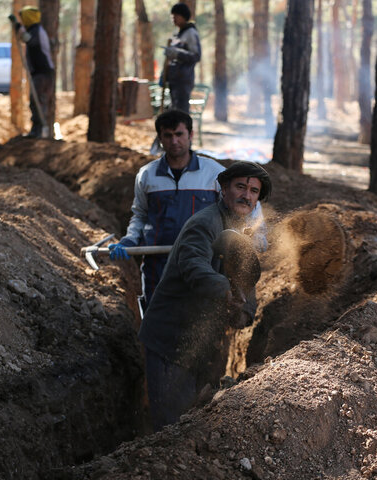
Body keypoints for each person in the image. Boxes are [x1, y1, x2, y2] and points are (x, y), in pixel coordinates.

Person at [139, 161, 272, 431]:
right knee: (171, 428)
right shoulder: (204, 223)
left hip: (206, 346)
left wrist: (244, 312)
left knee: (197, 424)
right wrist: (226, 290)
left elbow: (246, 281)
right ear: (223, 189)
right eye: (240, 187)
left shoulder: (244, 233)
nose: (246, 195)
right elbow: (194, 266)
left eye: (254, 191)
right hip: (171, 341)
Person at [108, 110, 266, 313]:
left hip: (204, 264)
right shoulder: (147, 176)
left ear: (190, 135)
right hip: (158, 265)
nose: (174, 141)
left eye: (179, 134)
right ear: (160, 138)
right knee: (157, 320)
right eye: (168, 135)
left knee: (200, 320)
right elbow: (140, 215)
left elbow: (246, 203)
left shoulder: (213, 173)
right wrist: (129, 241)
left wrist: (254, 236)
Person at [11, 6, 55, 138]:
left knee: (37, 100)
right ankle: (37, 129)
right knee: (36, 100)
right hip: (41, 72)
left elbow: (27, 39)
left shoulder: (36, 31)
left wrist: (18, 27)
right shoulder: (35, 30)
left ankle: (39, 130)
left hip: (43, 73)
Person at [163, 3, 201, 113]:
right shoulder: (177, 34)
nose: (173, 19)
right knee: (174, 111)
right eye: (172, 16)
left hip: (184, 79)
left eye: (176, 16)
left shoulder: (191, 33)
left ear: (183, 16)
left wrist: (177, 53)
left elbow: (196, 56)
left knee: (181, 112)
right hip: (174, 79)